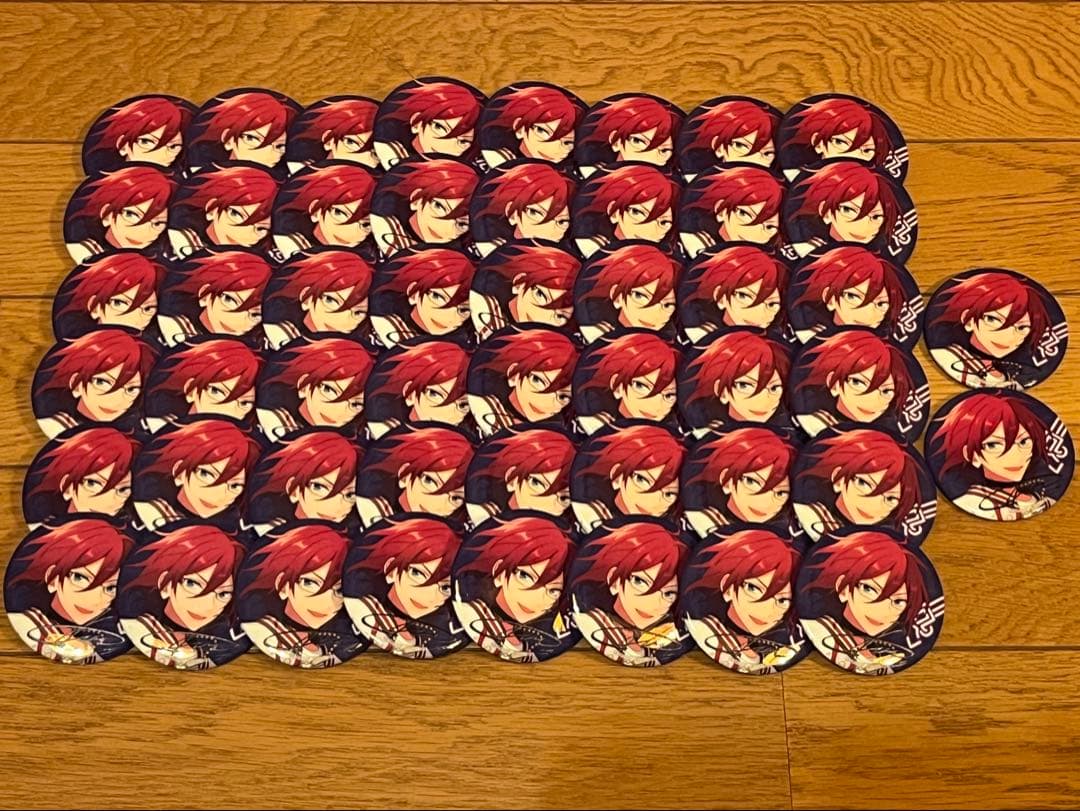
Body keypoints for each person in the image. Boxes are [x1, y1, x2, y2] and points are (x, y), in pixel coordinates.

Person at [6, 519, 133, 664]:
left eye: (110, 588)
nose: (92, 599)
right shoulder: (27, 619)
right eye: (79, 577)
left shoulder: (118, 627)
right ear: (52, 578)